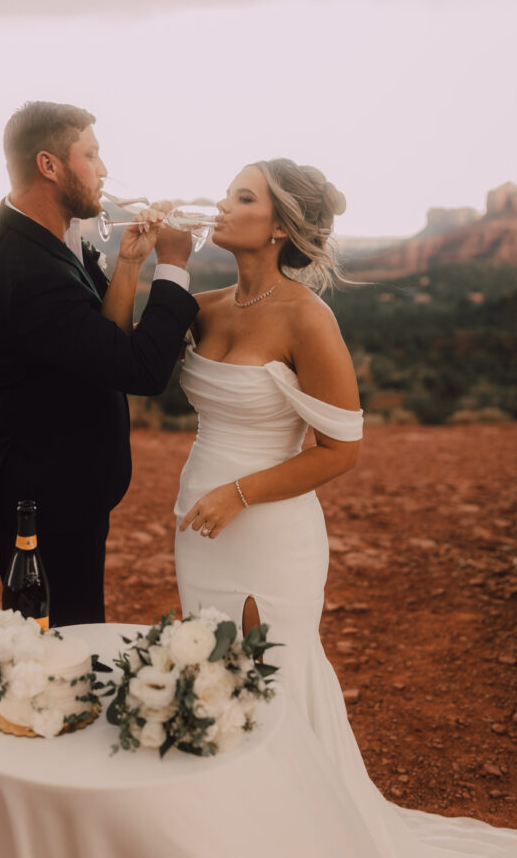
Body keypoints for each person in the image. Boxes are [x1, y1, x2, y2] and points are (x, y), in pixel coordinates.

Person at [174, 159, 516, 856]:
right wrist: (139, 264)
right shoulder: (201, 306)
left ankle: (296, 835)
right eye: (226, 191)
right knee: (209, 670)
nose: (221, 204)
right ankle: (229, 831)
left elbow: (340, 448)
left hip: (267, 525)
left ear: (277, 230)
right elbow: (122, 348)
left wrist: (239, 494)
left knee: (268, 674)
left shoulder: (307, 317)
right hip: (197, 520)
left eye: (242, 198)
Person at [0, 101, 198, 628]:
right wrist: (175, 264)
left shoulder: (37, 235)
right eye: (91, 154)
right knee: (60, 648)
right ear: (50, 166)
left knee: (73, 631)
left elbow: (102, 348)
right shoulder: (27, 269)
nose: (104, 169)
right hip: (41, 494)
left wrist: (132, 264)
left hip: (63, 485)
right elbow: (139, 370)